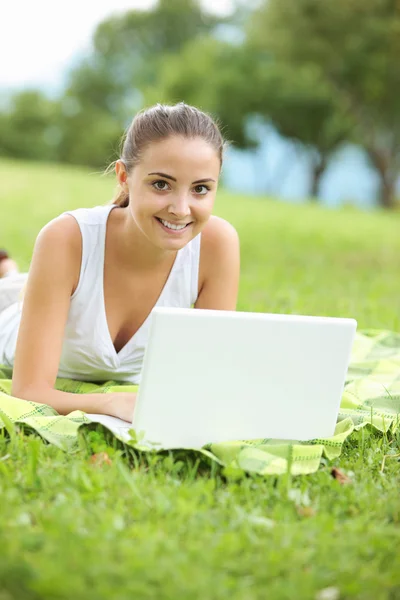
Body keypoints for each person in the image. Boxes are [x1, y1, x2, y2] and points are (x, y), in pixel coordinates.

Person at [0, 103, 240, 422]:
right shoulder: (65, 238)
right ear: (124, 176)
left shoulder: (217, 245)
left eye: (200, 189)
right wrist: (113, 404)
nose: (181, 209)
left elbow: (208, 379)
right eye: (161, 184)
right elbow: (29, 392)